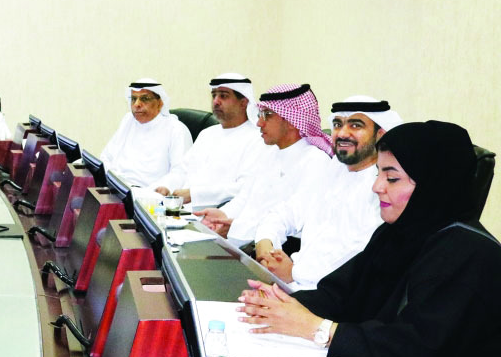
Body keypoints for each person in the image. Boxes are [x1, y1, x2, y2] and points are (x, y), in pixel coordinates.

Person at [237, 121, 501, 357]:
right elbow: (339, 295)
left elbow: (417, 353)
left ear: (433, 184)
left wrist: (319, 329)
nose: (376, 187)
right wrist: (278, 305)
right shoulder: (397, 233)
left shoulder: (469, 255)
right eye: (378, 174)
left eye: (392, 178)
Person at [253, 97, 402, 290]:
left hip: (332, 294)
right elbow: (286, 212)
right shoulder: (334, 168)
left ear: (380, 135)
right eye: (338, 124)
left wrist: (294, 272)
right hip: (292, 283)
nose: (343, 133)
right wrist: (266, 247)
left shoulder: (386, 187)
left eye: (356, 125)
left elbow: (359, 255)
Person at [196, 83, 336, 244]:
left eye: (267, 115)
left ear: (291, 121)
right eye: (260, 115)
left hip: (276, 249)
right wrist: (222, 216)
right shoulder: (268, 153)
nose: (259, 123)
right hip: (240, 240)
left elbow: (290, 222)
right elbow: (244, 198)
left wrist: (236, 228)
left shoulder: (316, 162)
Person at [152, 73, 268, 207]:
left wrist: (194, 194)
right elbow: (182, 171)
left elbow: (243, 188)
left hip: (217, 215)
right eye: (214, 95)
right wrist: (167, 187)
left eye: (223, 96)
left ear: (243, 103)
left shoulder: (257, 139)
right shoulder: (207, 134)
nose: (216, 102)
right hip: (181, 210)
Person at [99, 79, 193, 188]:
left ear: (160, 103)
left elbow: (181, 173)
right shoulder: (128, 121)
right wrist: (110, 180)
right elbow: (106, 157)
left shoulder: (176, 130)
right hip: (119, 188)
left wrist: (150, 192)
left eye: (144, 99)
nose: (137, 104)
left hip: (150, 194)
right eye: (133, 99)